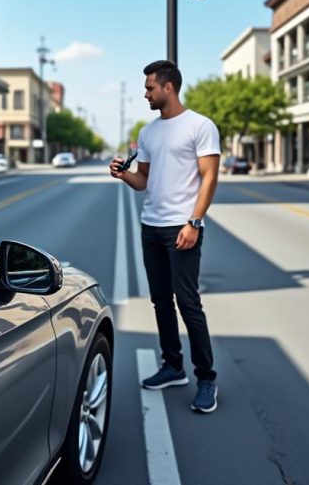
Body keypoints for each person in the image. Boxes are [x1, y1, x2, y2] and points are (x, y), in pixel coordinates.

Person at [110, 60, 221, 413]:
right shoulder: (148, 133)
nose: (146, 94)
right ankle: (173, 366)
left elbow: (209, 177)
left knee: (188, 303)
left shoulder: (200, 126)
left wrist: (195, 222)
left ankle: (206, 378)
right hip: (151, 227)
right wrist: (123, 175)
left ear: (168, 87)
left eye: (150, 88)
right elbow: (143, 181)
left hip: (182, 227)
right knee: (160, 301)